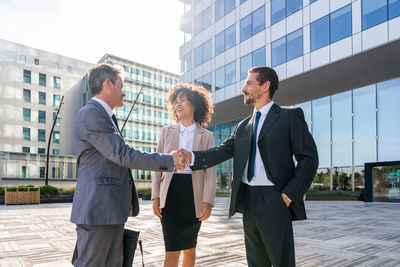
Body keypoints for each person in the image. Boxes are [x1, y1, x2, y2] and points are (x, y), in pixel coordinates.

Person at [179, 66, 318, 267]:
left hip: (275, 199)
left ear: (265, 86)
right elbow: (220, 152)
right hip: (248, 200)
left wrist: (288, 195)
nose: (243, 89)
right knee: (255, 262)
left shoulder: (290, 117)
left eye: (249, 83)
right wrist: (191, 157)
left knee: (282, 262)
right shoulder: (243, 126)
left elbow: (309, 159)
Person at [70, 63, 184, 267]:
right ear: (107, 83)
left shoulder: (105, 116)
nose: (124, 92)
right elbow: (123, 154)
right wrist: (170, 160)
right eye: (121, 86)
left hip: (108, 210)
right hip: (98, 210)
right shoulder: (92, 113)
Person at [152, 84, 216, 267]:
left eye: (182, 100)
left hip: (193, 195)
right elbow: (158, 166)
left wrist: (208, 201)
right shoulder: (166, 131)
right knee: (171, 249)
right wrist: (155, 196)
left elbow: (210, 173)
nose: (178, 104)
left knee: (190, 248)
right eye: (175, 101)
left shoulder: (207, 136)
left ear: (194, 104)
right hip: (170, 193)